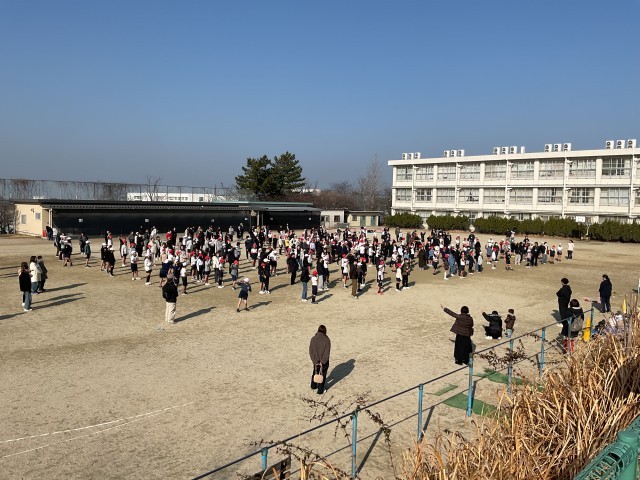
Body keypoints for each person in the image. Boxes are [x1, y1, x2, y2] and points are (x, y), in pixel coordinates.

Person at [309, 325, 331, 394]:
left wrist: (315, 361)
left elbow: (311, 351)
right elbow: (327, 353)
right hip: (324, 362)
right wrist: (323, 362)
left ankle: (313, 386)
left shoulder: (313, 339)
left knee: (315, 372)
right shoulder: (327, 340)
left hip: (315, 360)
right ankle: (320, 390)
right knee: (322, 374)